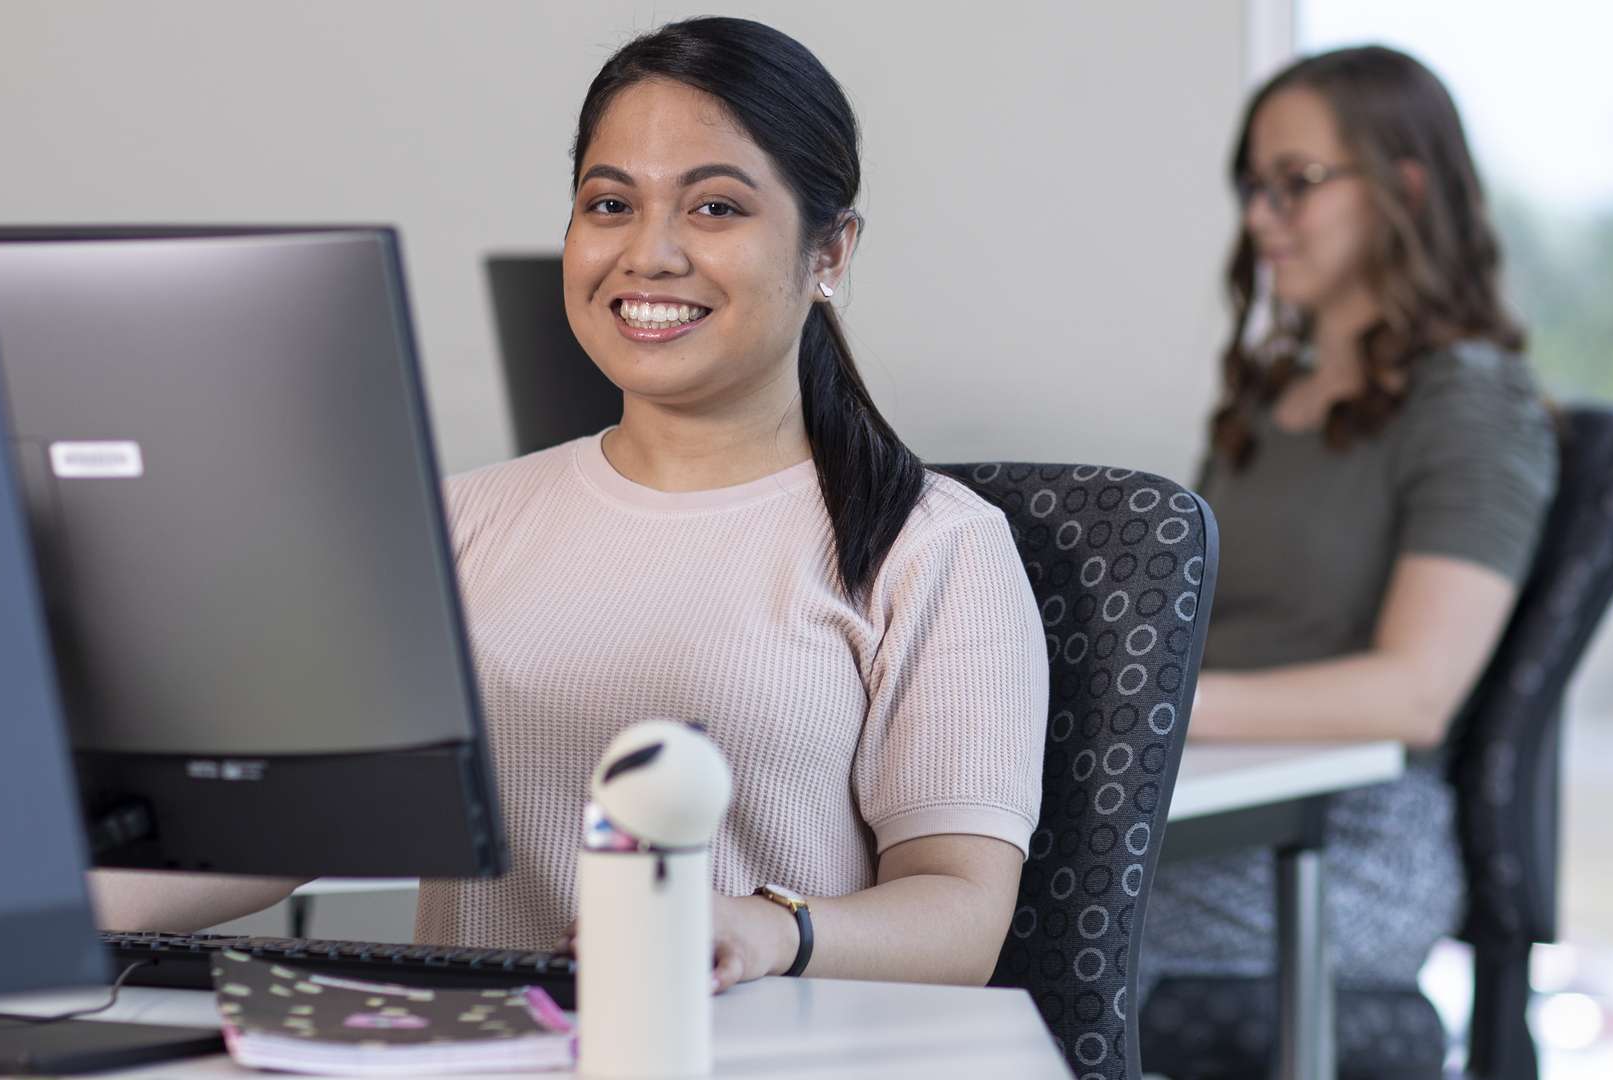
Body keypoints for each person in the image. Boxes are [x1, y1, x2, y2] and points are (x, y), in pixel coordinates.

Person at [90, 17, 1047, 993]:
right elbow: (282, 827)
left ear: (829, 251)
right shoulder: (452, 526)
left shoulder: (932, 547)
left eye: (715, 207)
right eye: (608, 204)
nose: (651, 254)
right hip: (466, 1058)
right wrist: (16, 897)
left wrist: (764, 934)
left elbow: (960, 916)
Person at [1140, 46, 1559, 1002]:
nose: (1258, 219)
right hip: (1220, 802)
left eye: (1296, 185)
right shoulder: (1270, 395)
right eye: (1253, 188)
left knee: (1004, 913)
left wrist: (1158, 709)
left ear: (1403, 190)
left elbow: (1416, 696)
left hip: (1353, 847)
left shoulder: (1472, 401)